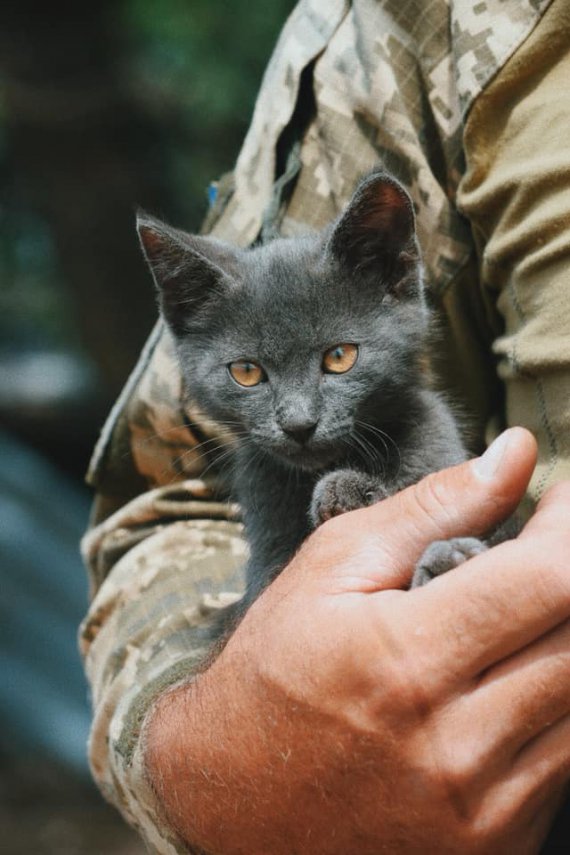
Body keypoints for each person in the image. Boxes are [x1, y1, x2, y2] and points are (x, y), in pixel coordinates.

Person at [80, 1, 570, 851]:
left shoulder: (418, 428)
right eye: (247, 372)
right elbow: (177, 534)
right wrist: (222, 764)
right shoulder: (428, 23)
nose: (298, 414)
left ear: (391, 279)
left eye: (336, 361)